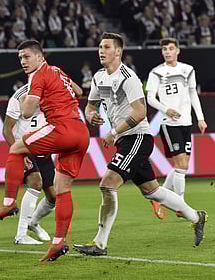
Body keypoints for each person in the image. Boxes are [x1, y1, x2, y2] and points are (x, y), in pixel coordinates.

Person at [73, 33, 207, 257]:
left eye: (106, 47)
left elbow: (140, 112)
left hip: (138, 138)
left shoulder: (129, 78)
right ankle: (196, 217)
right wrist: (90, 116)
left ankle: (100, 244)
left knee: (108, 184)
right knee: (152, 191)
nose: (101, 51)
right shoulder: (98, 77)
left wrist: (113, 131)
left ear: (118, 51)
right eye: (99, 47)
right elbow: (91, 105)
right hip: (125, 140)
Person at [0, 40, 88, 262]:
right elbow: (80, 91)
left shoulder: (37, 76)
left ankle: (8, 204)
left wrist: (31, 99)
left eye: (27, 57)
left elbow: (26, 113)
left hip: (61, 128)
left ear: (40, 57)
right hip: (81, 132)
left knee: (15, 148)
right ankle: (58, 243)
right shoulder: (57, 71)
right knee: (62, 190)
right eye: (21, 58)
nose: (23, 62)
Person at [145, 38, 207, 218]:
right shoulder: (157, 72)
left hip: (186, 122)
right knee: (181, 165)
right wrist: (166, 109)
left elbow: (193, 93)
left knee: (183, 165)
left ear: (178, 51)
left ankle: (159, 197)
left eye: (171, 48)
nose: (167, 52)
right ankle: (181, 205)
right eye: (164, 49)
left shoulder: (188, 70)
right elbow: (150, 97)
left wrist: (200, 118)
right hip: (169, 123)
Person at [3, 83, 55, 245]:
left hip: (43, 149)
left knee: (54, 197)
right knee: (35, 182)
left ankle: (33, 222)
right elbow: (7, 129)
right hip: (23, 148)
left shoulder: (53, 94)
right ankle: (21, 235)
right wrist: (18, 152)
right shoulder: (19, 97)